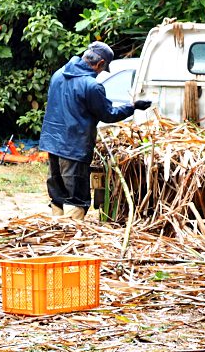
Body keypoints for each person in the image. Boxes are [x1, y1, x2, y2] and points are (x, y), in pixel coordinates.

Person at [40, 41, 152, 220]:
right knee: (75, 195)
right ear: (100, 64)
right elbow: (108, 114)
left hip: (52, 143)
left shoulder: (58, 74)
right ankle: (71, 236)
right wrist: (133, 107)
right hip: (74, 149)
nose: (100, 73)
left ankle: (57, 232)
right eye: (102, 69)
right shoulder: (92, 86)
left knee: (57, 192)